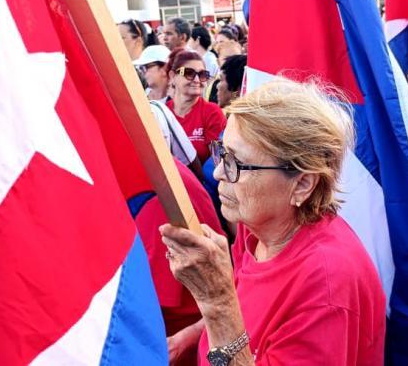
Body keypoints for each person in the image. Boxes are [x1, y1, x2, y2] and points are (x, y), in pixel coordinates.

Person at [161, 79, 386, 365]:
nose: (218, 173)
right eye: (222, 153)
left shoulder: (326, 285)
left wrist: (216, 301)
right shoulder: (257, 226)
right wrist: (190, 336)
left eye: (236, 163)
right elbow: (244, 309)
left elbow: (229, 310)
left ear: (302, 184)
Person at [134, 161, 224, 366]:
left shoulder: (158, 196)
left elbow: (147, 312)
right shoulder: (160, 170)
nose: (218, 173)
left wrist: (188, 336)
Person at [167, 50, 226, 164]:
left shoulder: (212, 112)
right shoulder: (162, 112)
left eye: (202, 74)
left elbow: (218, 162)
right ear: (172, 76)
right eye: (189, 73)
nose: (197, 80)